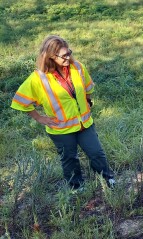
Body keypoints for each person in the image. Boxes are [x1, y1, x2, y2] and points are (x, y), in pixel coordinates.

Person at [11, 35, 115, 189]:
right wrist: (39, 118)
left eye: (69, 52)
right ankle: (76, 187)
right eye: (64, 55)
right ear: (51, 56)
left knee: (97, 153)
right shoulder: (38, 78)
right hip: (61, 129)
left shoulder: (77, 67)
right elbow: (20, 101)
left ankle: (108, 179)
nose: (69, 57)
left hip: (85, 124)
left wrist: (87, 100)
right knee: (69, 159)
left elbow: (88, 87)